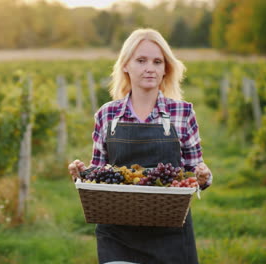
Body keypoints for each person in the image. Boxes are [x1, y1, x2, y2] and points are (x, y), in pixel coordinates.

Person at [68, 28, 212, 264]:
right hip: (117, 234)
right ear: (126, 65)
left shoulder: (183, 112)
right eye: (141, 60)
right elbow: (98, 174)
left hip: (171, 233)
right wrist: (80, 174)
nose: (150, 68)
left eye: (157, 61)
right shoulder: (107, 114)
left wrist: (204, 176)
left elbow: (195, 171)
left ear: (166, 68)